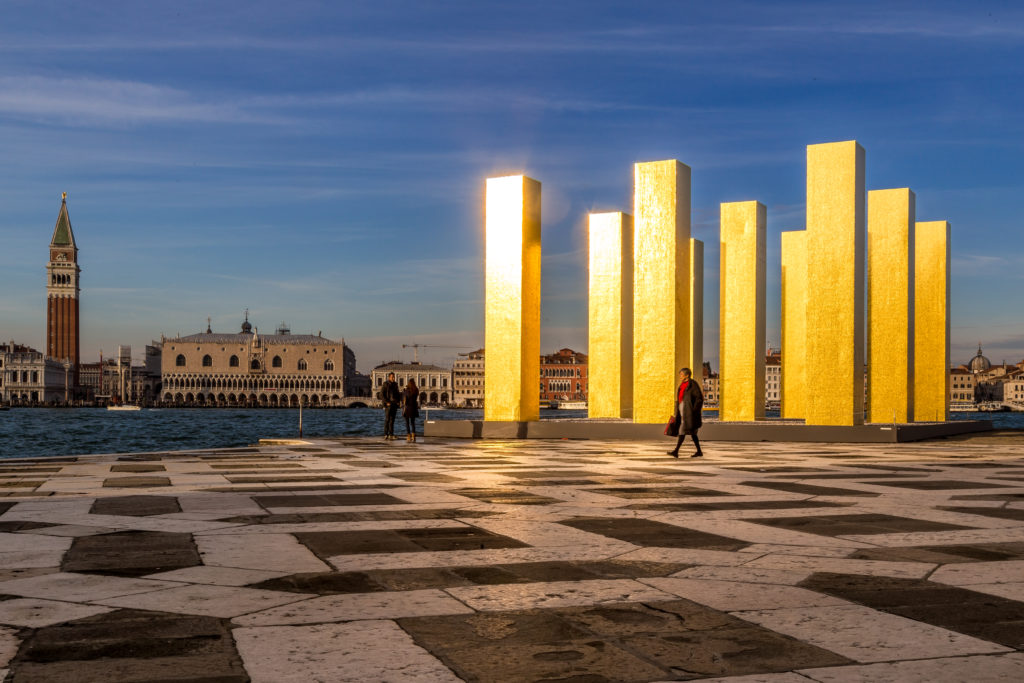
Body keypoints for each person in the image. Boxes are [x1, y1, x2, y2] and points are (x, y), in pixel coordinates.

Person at [669, 367, 704, 458]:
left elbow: (699, 398)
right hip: (682, 410)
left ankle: (676, 451)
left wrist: (694, 410)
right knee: (693, 433)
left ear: (687, 375)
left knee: (682, 430)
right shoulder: (682, 385)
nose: (680, 376)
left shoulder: (693, 384)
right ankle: (699, 451)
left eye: (681, 374)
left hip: (689, 412)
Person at [380, 372, 401, 441]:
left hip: (394, 404)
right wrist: (386, 402)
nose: (393, 378)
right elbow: (381, 395)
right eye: (392, 377)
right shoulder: (385, 384)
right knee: (387, 419)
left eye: (394, 377)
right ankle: (386, 434)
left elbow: (397, 394)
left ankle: (391, 434)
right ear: (389, 377)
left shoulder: (395, 384)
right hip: (388, 404)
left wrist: (398, 401)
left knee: (392, 420)